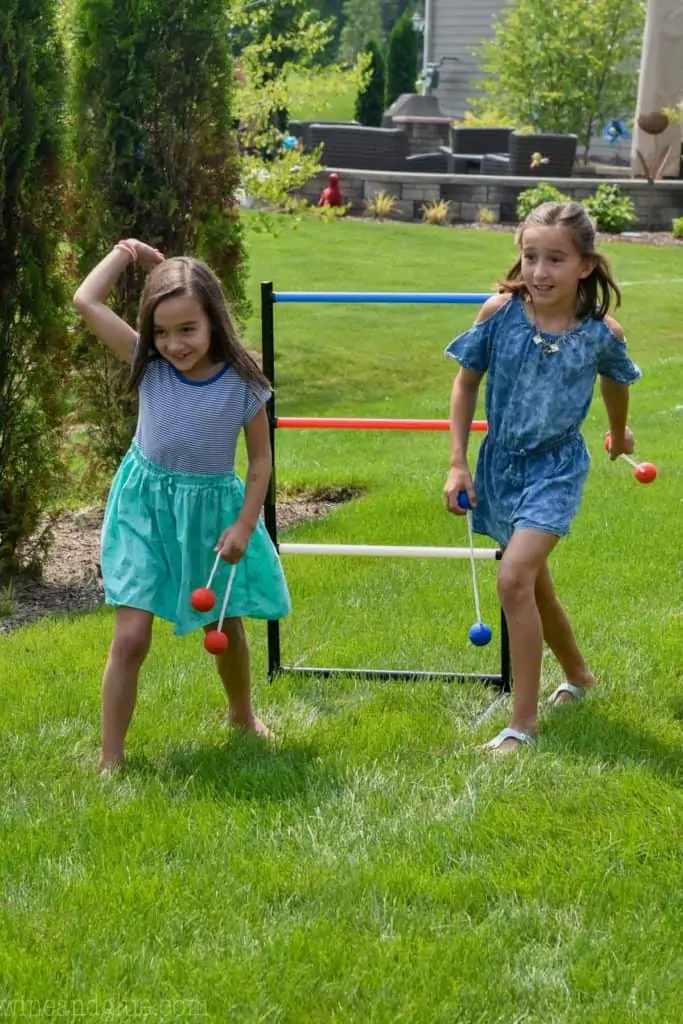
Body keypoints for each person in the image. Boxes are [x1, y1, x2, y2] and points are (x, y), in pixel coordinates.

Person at [73, 239, 291, 772]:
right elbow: (86, 301)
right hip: (143, 508)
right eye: (162, 332)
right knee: (130, 637)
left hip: (212, 515)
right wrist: (129, 252)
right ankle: (111, 758)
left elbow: (260, 461)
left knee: (227, 625)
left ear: (214, 320)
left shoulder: (243, 382)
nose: (174, 344)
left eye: (187, 329)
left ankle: (242, 715)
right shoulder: (148, 364)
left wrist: (244, 524)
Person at [443, 201, 641, 754]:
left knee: (512, 580)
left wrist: (619, 433)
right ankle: (578, 676)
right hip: (499, 465)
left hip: (556, 468)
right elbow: (465, 385)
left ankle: (522, 724)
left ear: (585, 264)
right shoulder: (498, 314)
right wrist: (458, 461)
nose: (539, 271)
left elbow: (616, 382)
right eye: (531, 256)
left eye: (555, 258)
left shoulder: (601, 333)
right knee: (534, 585)